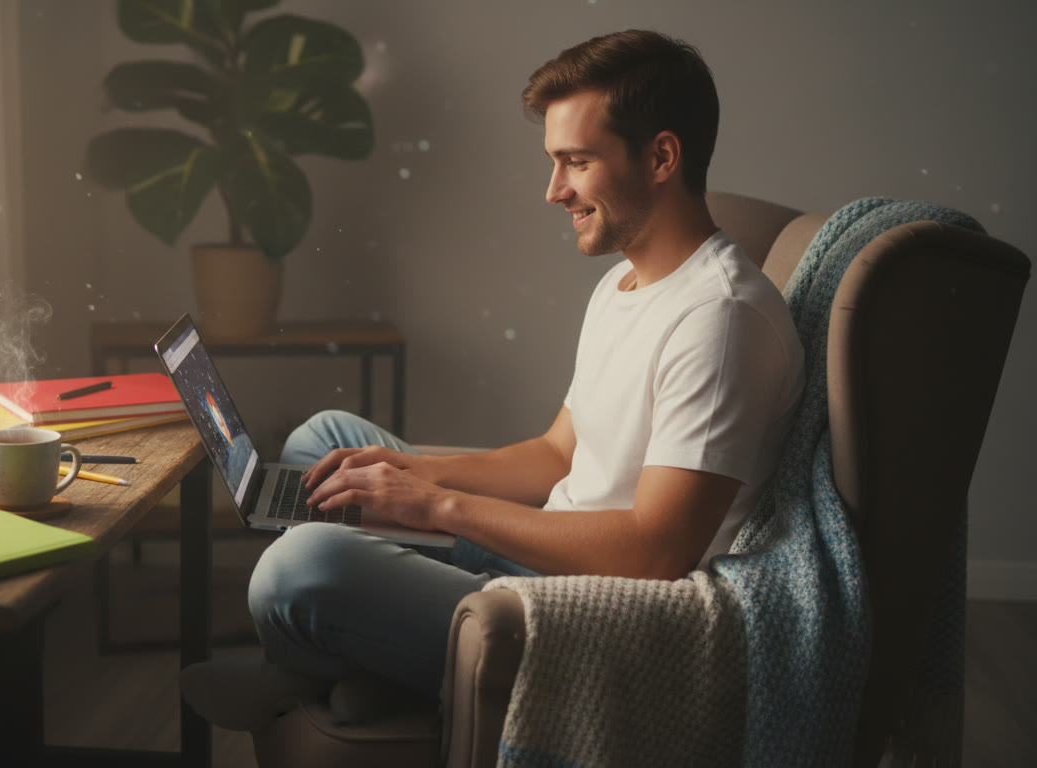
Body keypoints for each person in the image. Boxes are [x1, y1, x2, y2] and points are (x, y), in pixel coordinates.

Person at [183, 29, 806, 723]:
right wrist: (419, 476)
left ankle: (324, 668)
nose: (553, 191)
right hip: (541, 547)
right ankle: (365, 665)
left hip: (586, 605)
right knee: (324, 442)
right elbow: (558, 454)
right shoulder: (627, 284)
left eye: (575, 162)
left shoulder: (718, 320)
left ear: (661, 156)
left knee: (297, 569)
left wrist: (437, 507)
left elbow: (654, 554)